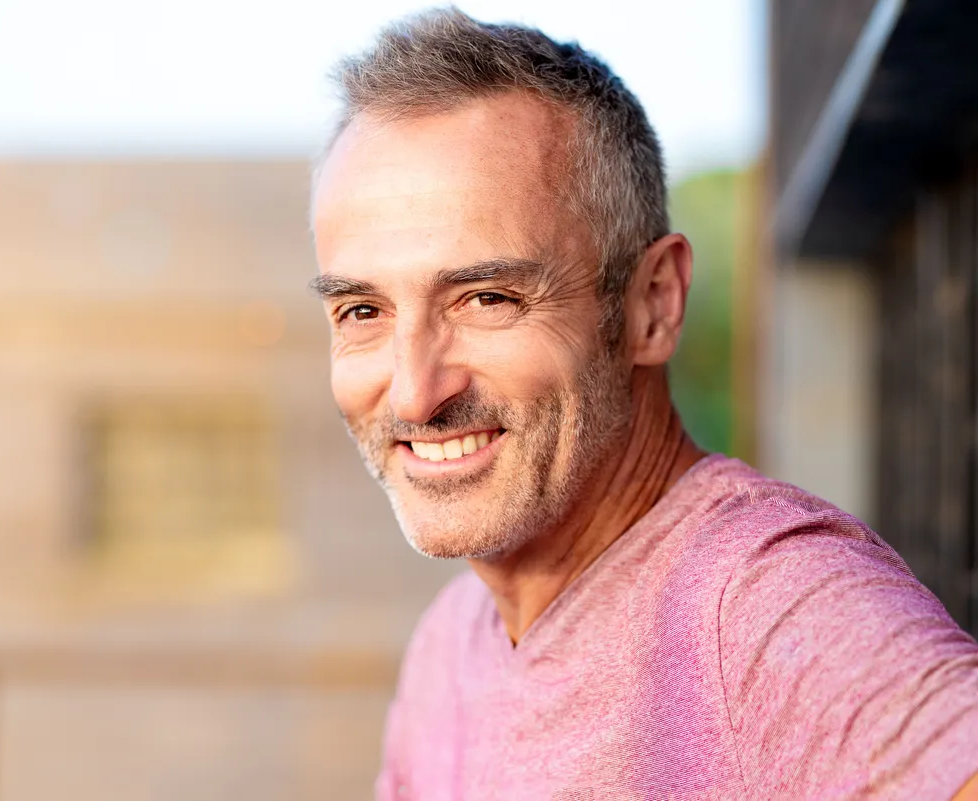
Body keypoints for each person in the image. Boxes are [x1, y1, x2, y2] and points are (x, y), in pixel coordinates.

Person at [308, 8, 978, 800]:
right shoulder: (450, 646)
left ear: (651, 303)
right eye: (362, 311)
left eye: (487, 298)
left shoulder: (763, 605)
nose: (416, 392)